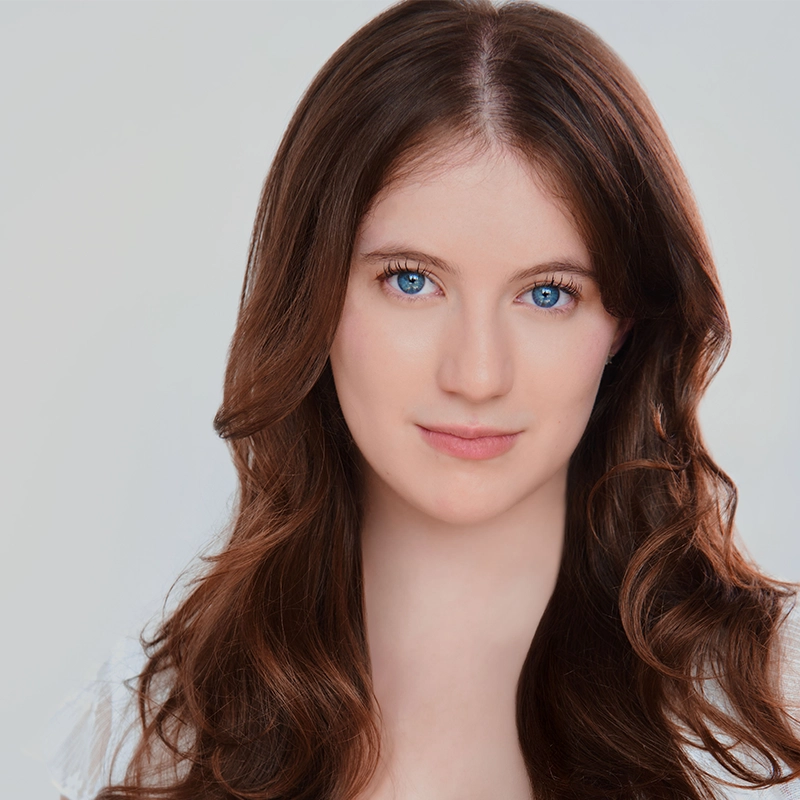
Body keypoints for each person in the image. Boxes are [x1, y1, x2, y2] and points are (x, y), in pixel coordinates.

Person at [47, 0, 800, 798]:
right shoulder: (152, 733)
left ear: (625, 322)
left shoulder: (759, 711)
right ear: (313, 294)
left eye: (548, 294)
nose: (476, 374)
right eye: (410, 281)